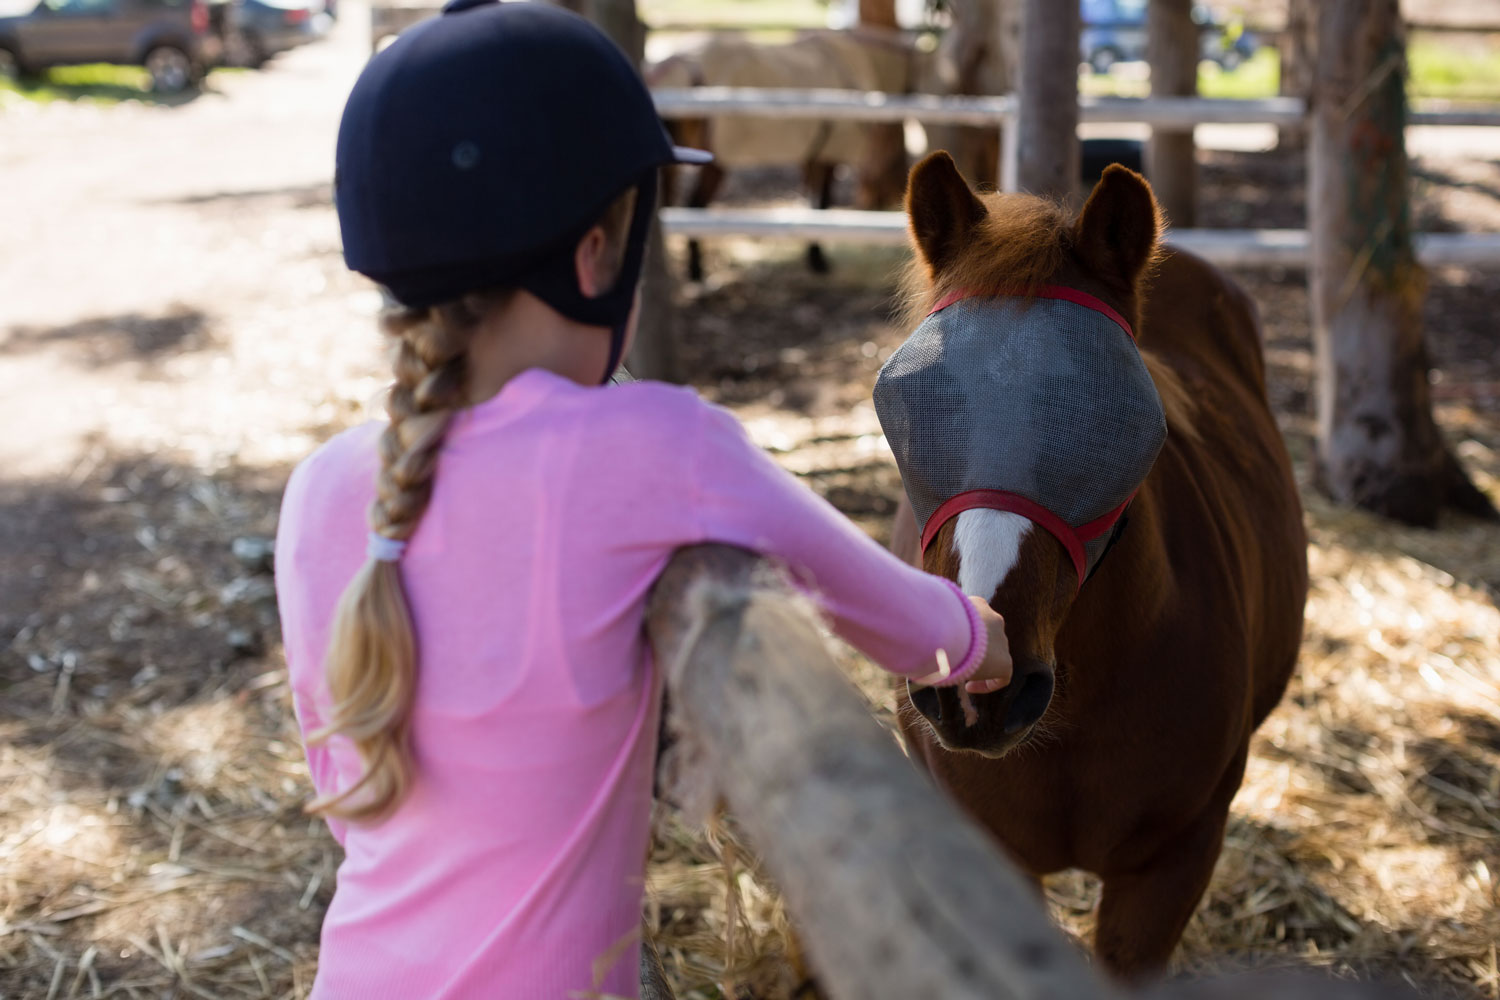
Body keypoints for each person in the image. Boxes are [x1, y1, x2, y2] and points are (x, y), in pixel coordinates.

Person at [273, 2, 1013, 996]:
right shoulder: (656, 446)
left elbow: (346, 788)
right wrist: (983, 637)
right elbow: (905, 624)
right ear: (596, 258)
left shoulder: (317, 491)